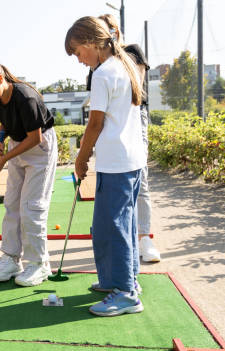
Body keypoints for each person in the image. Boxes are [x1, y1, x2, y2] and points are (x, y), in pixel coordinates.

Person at [65, 16, 145, 316]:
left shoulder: (102, 74)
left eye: (77, 52)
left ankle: (125, 294)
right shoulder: (125, 64)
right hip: (131, 160)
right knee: (121, 223)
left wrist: (81, 157)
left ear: (89, 42)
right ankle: (125, 281)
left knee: (115, 227)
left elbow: (95, 122)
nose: (79, 59)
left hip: (116, 162)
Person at [0, 56, 57, 287]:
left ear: (0, 78)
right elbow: (5, 122)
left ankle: (39, 264)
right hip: (17, 144)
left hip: (39, 147)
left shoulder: (25, 97)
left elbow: (35, 138)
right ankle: (11, 258)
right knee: (12, 203)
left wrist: (3, 160)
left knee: (31, 206)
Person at [89, 14, 161, 263]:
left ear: (114, 31)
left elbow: (135, 90)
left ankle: (144, 237)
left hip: (132, 117)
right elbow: (97, 104)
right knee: (116, 192)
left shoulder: (131, 53)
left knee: (140, 179)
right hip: (111, 124)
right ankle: (128, 246)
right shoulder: (99, 66)